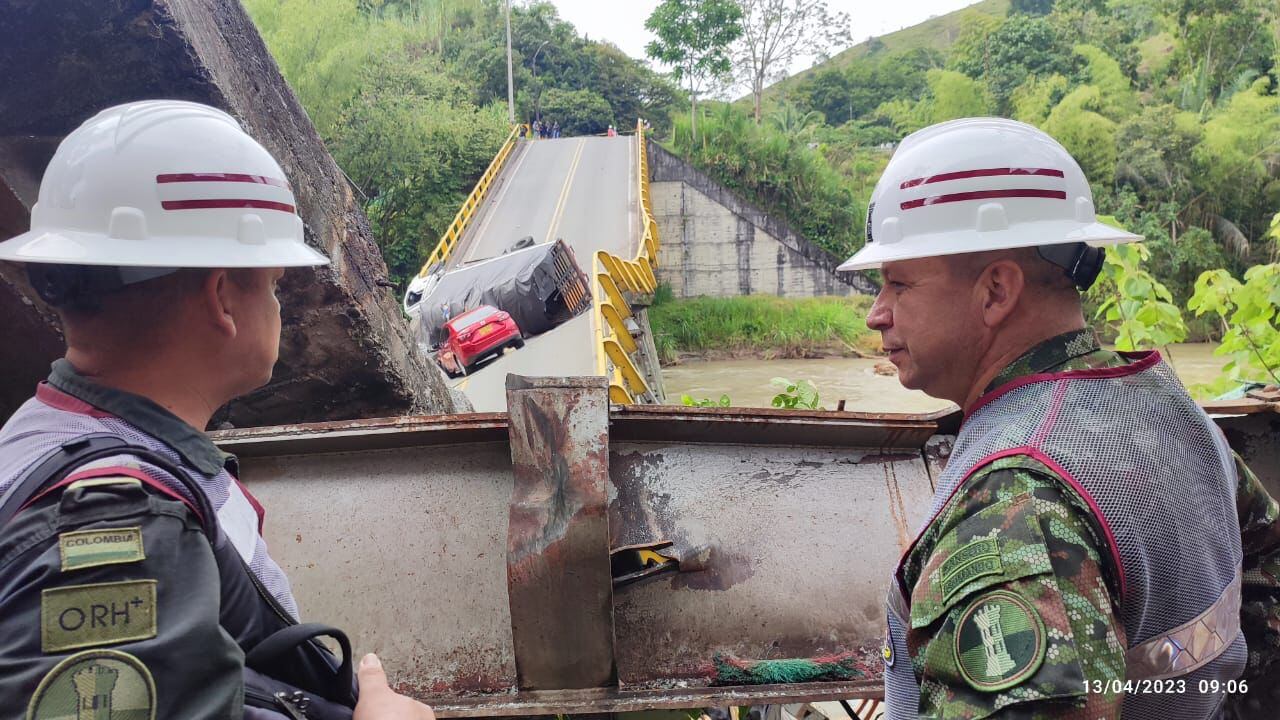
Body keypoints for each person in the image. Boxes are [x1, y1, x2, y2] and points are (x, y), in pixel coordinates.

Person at [0, 100, 436, 720]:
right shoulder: (117, 524)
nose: (280, 308)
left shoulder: (44, 438)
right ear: (223, 295)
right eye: (276, 284)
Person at [838, 117, 1280, 719]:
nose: (877, 314)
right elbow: (1262, 585)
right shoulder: (1176, 415)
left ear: (996, 291)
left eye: (897, 284)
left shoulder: (1013, 506)